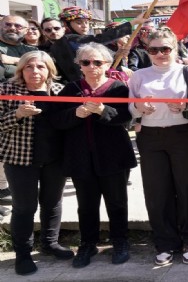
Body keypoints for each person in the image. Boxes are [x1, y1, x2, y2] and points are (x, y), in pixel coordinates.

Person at [52, 43, 136, 268]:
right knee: (86, 204)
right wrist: (75, 113)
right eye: (86, 62)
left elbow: (127, 119)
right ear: (79, 65)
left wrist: (102, 111)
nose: (91, 66)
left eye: (97, 62)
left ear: (107, 64)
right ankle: (88, 243)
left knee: (117, 202)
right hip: (80, 157)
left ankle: (120, 241)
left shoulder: (118, 88)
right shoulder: (71, 89)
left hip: (113, 156)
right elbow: (57, 120)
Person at [128, 28, 188, 266]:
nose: (160, 53)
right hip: (150, 137)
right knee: (157, 191)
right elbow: (130, 106)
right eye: (154, 49)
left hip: (181, 133)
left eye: (165, 48)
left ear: (174, 47)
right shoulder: (139, 75)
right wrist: (140, 109)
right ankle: (164, 241)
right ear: (147, 51)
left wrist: (186, 106)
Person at [0, 51, 72, 276]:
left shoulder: (60, 91)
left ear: (50, 70)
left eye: (41, 67)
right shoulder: (7, 90)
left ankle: (49, 244)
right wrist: (18, 114)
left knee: (52, 203)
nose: (35, 71)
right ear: (21, 69)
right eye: (29, 67)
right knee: (24, 207)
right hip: (20, 158)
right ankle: (23, 253)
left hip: (55, 158)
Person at [50, 6, 148, 83]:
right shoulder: (71, 39)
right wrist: (134, 22)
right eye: (79, 22)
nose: (84, 26)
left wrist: (117, 56)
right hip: (78, 85)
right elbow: (100, 39)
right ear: (67, 24)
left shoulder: (68, 41)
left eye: (86, 22)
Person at [0, 15, 38, 213]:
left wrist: (14, 61)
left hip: (17, 108)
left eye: (18, 26)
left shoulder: (31, 50)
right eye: (8, 24)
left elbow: (44, 66)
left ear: (25, 30)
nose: (12, 28)